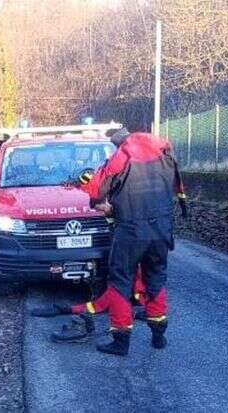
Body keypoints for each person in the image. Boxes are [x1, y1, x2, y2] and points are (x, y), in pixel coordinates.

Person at [32, 128, 187, 356]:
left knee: (120, 283)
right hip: (161, 230)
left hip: (131, 230)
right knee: (156, 279)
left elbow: (97, 187)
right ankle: (158, 336)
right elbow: (178, 189)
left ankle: (121, 341)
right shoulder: (166, 155)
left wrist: (82, 183)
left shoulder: (123, 156)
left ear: (120, 143)